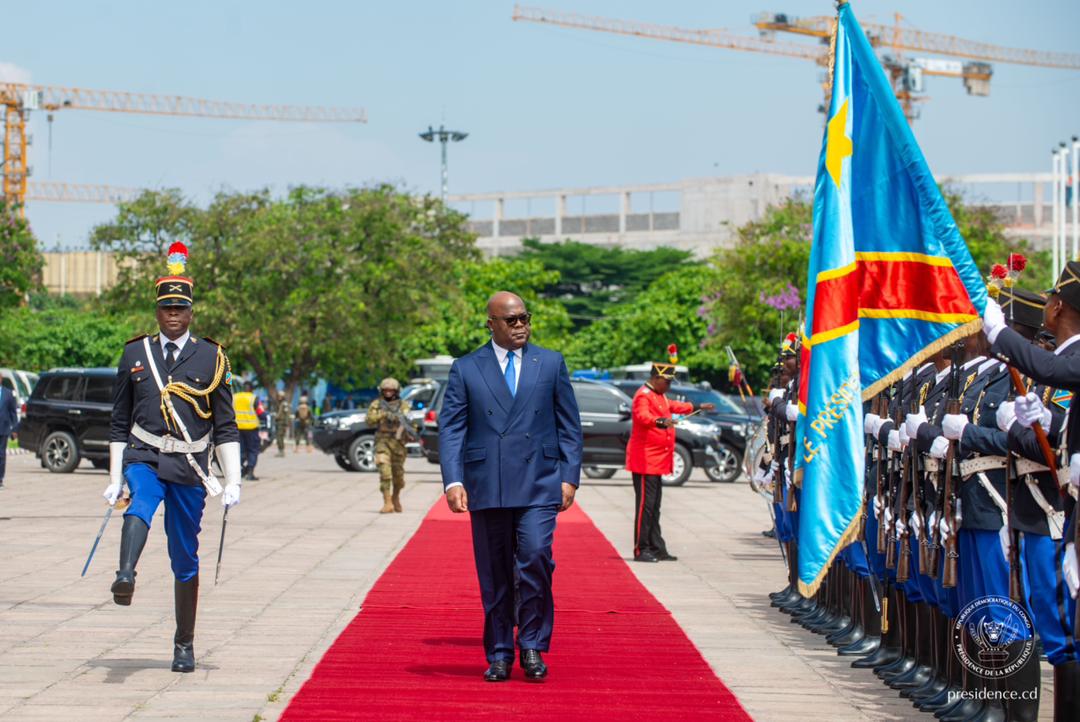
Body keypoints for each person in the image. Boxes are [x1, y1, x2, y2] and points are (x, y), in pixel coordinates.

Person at [103, 241, 241, 673]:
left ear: (191, 311)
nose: (173, 315)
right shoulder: (134, 354)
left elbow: (226, 425)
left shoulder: (211, 356)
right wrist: (113, 476)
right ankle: (125, 574)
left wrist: (233, 478)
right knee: (139, 501)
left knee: (184, 555)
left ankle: (184, 642)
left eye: (180, 307)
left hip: (190, 466)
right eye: (166, 308)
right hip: (144, 455)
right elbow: (118, 421)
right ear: (157, 311)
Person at [438, 291, 583, 682]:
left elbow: (569, 424)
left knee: (535, 558)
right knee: (496, 572)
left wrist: (570, 476)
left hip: (539, 481)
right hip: (488, 484)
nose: (521, 326)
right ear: (491, 324)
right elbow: (452, 428)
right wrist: (453, 480)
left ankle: (532, 645)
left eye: (525, 318)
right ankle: (500, 652)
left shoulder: (550, 363)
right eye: (512, 320)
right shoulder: (466, 368)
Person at [981, 263, 1080, 719]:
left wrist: (1027, 426)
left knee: (1064, 633)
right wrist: (1031, 424)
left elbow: (1056, 430)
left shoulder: (1068, 360)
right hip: (1036, 510)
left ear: (1058, 305)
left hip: (1051, 511)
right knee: (1051, 623)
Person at [624, 360, 713, 562]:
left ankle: (656, 546)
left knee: (654, 506)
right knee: (645, 507)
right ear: (656, 378)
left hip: (657, 460)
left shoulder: (659, 394)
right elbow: (642, 416)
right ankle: (641, 548)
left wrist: (696, 406)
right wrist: (660, 421)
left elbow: (674, 406)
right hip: (645, 461)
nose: (669, 386)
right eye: (667, 382)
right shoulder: (643, 396)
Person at [366, 377, 415, 514]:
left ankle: (395, 497)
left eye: (391, 390)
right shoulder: (377, 404)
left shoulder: (403, 405)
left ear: (396, 391)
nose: (388, 392)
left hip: (398, 443)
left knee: (398, 477)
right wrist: (382, 415)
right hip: (382, 441)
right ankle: (387, 502)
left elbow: (410, 422)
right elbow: (369, 420)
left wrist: (410, 431)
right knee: (385, 472)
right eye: (385, 390)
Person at [234, 381, 261, 481]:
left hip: (237, 428)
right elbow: (261, 413)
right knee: (253, 451)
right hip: (251, 429)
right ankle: (250, 473)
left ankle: (238, 472)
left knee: (240, 451)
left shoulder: (234, 397)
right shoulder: (253, 398)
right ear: (251, 389)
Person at [0, 377, 18, 490]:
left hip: (3, 428)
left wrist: (15, 429)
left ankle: (0, 478)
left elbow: (13, 412)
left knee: (1, 455)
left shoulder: (8, 393)